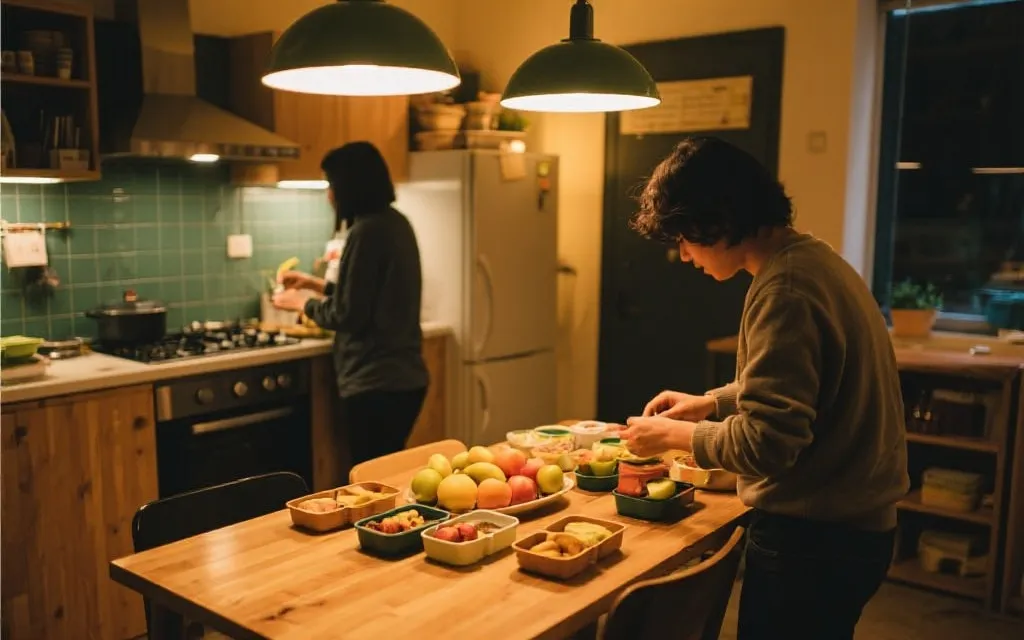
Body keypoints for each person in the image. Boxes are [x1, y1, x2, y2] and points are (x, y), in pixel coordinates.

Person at [617, 137, 909, 639]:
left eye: (685, 236)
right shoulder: (812, 261)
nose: (684, 255)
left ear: (718, 219)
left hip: (816, 540)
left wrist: (669, 437)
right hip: (854, 531)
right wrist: (711, 403)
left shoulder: (785, 289)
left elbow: (768, 443)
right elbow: (810, 388)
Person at [272, 141, 428, 465]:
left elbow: (349, 315)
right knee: (385, 475)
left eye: (331, 184)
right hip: (404, 380)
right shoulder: (395, 223)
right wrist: (317, 285)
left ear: (349, 186)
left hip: (376, 383)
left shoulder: (366, 232)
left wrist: (302, 303)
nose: (329, 194)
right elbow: (372, 294)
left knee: (370, 483)